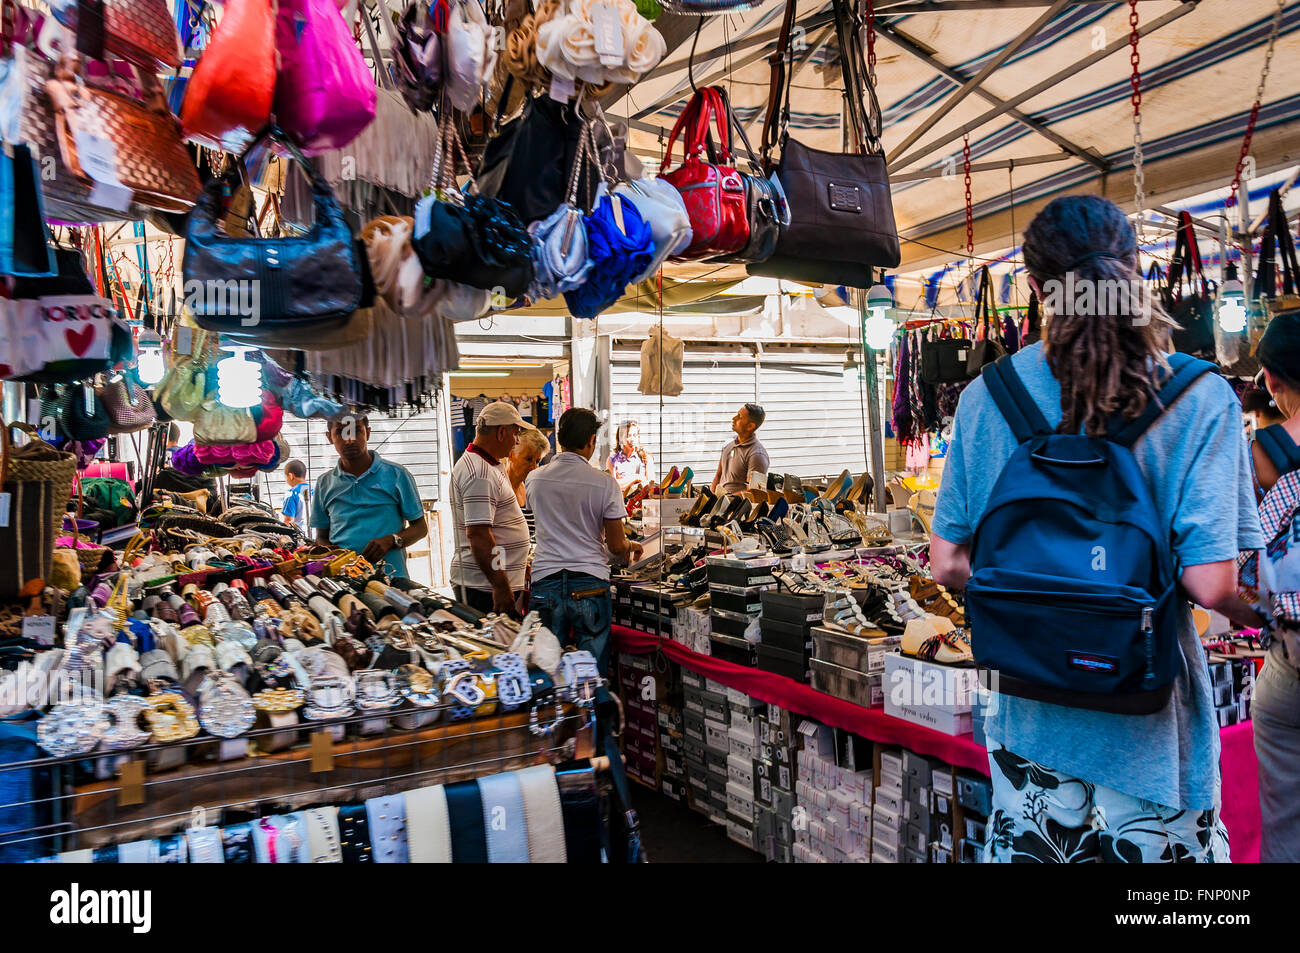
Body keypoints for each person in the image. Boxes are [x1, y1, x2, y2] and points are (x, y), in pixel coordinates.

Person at [928, 194, 1264, 864]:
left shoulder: (987, 397)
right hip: (1152, 740)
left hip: (1027, 735)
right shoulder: (1199, 396)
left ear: (1032, 288)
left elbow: (947, 564)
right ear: (1135, 269)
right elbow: (1209, 581)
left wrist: (1045, 602)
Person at [526, 408, 643, 677]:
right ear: (591, 441)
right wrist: (631, 546)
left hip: (546, 581)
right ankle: (593, 716)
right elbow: (616, 545)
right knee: (592, 672)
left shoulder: (535, 479)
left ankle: (554, 718)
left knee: (545, 668)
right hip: (589, 583)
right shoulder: (604, 483)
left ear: (560, 439)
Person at [1243, 313, 1300, 862]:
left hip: (1289, 666)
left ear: (1273, 381)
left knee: (1285, 832)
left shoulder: (1260, 456)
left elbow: (1236, 583)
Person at [311, 413, 428, 578]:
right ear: (329, 437)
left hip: (392, 581)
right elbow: (321, 537)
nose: (349, 440)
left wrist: (392, 540)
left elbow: (420, 528)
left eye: (356, 431)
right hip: (345, 583)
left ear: (368, 432)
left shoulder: (397, 475)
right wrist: (332, 553)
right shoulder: (324, 483)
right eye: (340, 433)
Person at [449, 400, 534, 615]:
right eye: (515, 433)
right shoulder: (479, 473)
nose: (516, 441)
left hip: (490, 583)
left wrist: (518, 564)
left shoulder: (489, 464)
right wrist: (500, 585)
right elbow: (479, 535)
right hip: (483, 587)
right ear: (501, 432)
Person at [711, 403, 770, 496]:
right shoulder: (728, 445)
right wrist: (713, 496)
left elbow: (754, 492)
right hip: (721, 503)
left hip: (738, 507)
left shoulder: (757, 455)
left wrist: (726, 498)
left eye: (740, 417)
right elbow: (718, 475)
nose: (734, 418)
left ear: (750, 426)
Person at [508, 427, 550, 538]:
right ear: (511, 455)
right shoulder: (499, 488)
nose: (534, 467)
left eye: (537, 461)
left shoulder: (528, 489)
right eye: (528, 459)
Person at [608, 420, 653, 492]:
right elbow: (612, 487)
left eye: (635, 435)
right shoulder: (612, 459)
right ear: (620, 438)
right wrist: (636, 478)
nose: (632, 439)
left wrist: (623, 483)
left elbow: (651, 484)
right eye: (628, 436)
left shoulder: (646, 458)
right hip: (621, 502)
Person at [281, 459, 310, 532]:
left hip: (301, 538)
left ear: (291, 476)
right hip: (320, 537)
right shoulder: (317, 490)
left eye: (286, 477)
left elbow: (288, 521)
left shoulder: (291, 493)